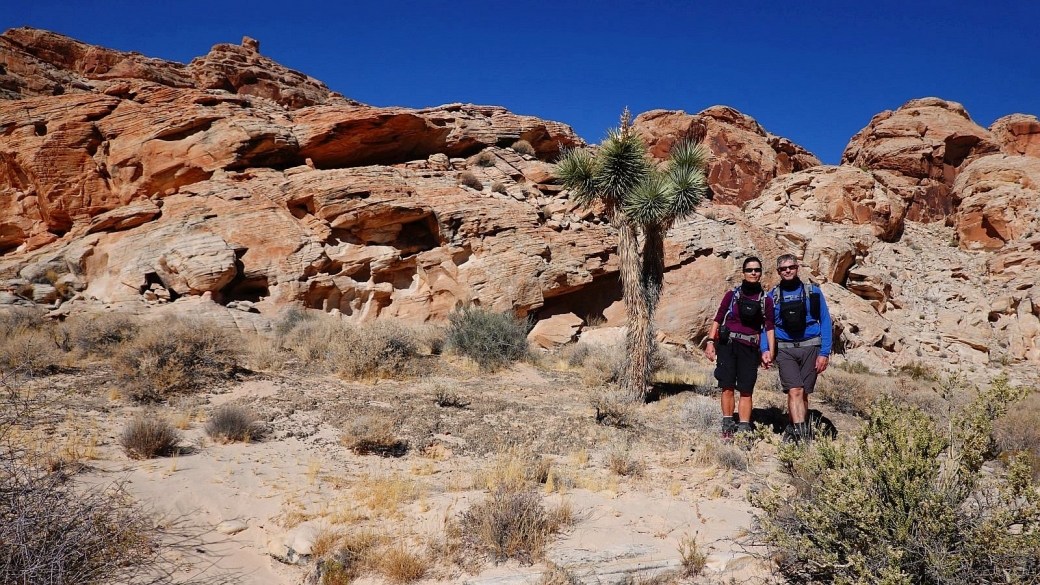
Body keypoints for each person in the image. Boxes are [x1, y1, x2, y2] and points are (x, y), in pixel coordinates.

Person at [761, 254, 832, 442]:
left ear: (797, 268)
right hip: (785, 349)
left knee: (804, 393)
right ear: (778, 272)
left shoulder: (813, 292)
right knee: (795, 391)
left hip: (811, 347)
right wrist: (765, 350)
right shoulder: (772, 297)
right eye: (783, 269)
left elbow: (825, 321)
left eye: (791, 267)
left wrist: (824, 352)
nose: (787, 271)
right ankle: (802, 435)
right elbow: (766, 327)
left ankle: (794, 428)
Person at [704, 257, 775, 439]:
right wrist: (711, 341)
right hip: (728, 346)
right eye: (750, 270)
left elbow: (769, 327)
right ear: (743, 273)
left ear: (761, 273)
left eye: (757, 270)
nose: (753, 273)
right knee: (727, 386)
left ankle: (743, 429)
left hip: (750, 349)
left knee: (746, 389)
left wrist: (769, 352)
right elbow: (718, 319)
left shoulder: (766, 300)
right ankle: (727, 427)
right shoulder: (732, 295)